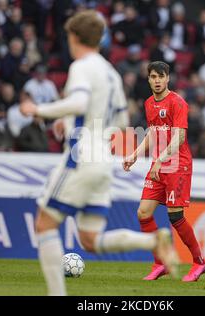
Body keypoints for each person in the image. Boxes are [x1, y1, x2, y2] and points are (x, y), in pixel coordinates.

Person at [19, 10, 178, 296]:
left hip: (82, 155)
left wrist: (38, 110)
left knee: (44, 224)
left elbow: (79, 102)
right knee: (90, 240)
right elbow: (121, 124)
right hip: (104, 160)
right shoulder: (111, 73)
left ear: (75, 37)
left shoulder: (82, 66)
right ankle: (153, 242)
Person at [122, 61, 205, 282]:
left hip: (178, 164)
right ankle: (161, 263)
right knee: (143, 213)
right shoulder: (149, 103)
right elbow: (152, 133)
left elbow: (179, 137)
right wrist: (135, 154)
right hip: (159, 164)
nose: (157, 81)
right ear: (149, 79)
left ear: (168, 78)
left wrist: (160, 160)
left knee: (175, 216)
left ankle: (199, 262)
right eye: (153, 77)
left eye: (161, 76)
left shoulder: (177, 102)